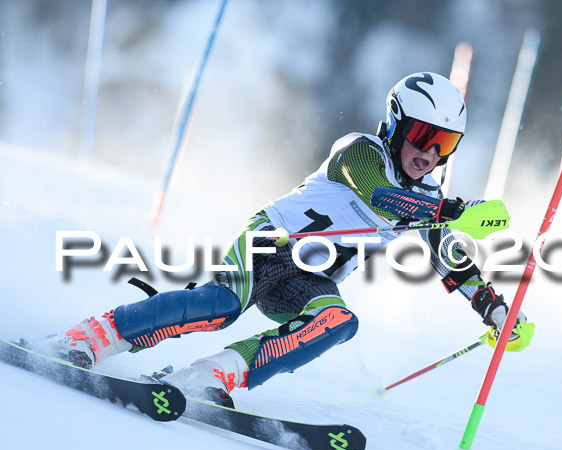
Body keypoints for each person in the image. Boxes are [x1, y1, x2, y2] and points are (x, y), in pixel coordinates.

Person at [44, 72, 531, 408]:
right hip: (268, 245)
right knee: (220, 306)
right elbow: (384, 199)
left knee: (338, 320)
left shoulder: (429, 195)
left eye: (443, 145)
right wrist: (457, 211)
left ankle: (210, 377)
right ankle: (87, 338)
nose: (428, 153)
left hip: (309, 275)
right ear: (396, 123)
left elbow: (451, 259)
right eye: (422, 135)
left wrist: (493, 308)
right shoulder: (359, 152)